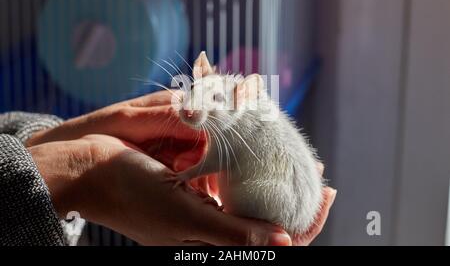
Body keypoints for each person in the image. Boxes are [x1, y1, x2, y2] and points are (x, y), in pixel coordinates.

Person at [0, 90, 336, 246]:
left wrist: (50, 142)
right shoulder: (243, 115)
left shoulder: (245, 123)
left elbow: (220, 159)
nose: (190, 107)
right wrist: (79, 172)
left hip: (269, 196)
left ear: (240, 96)